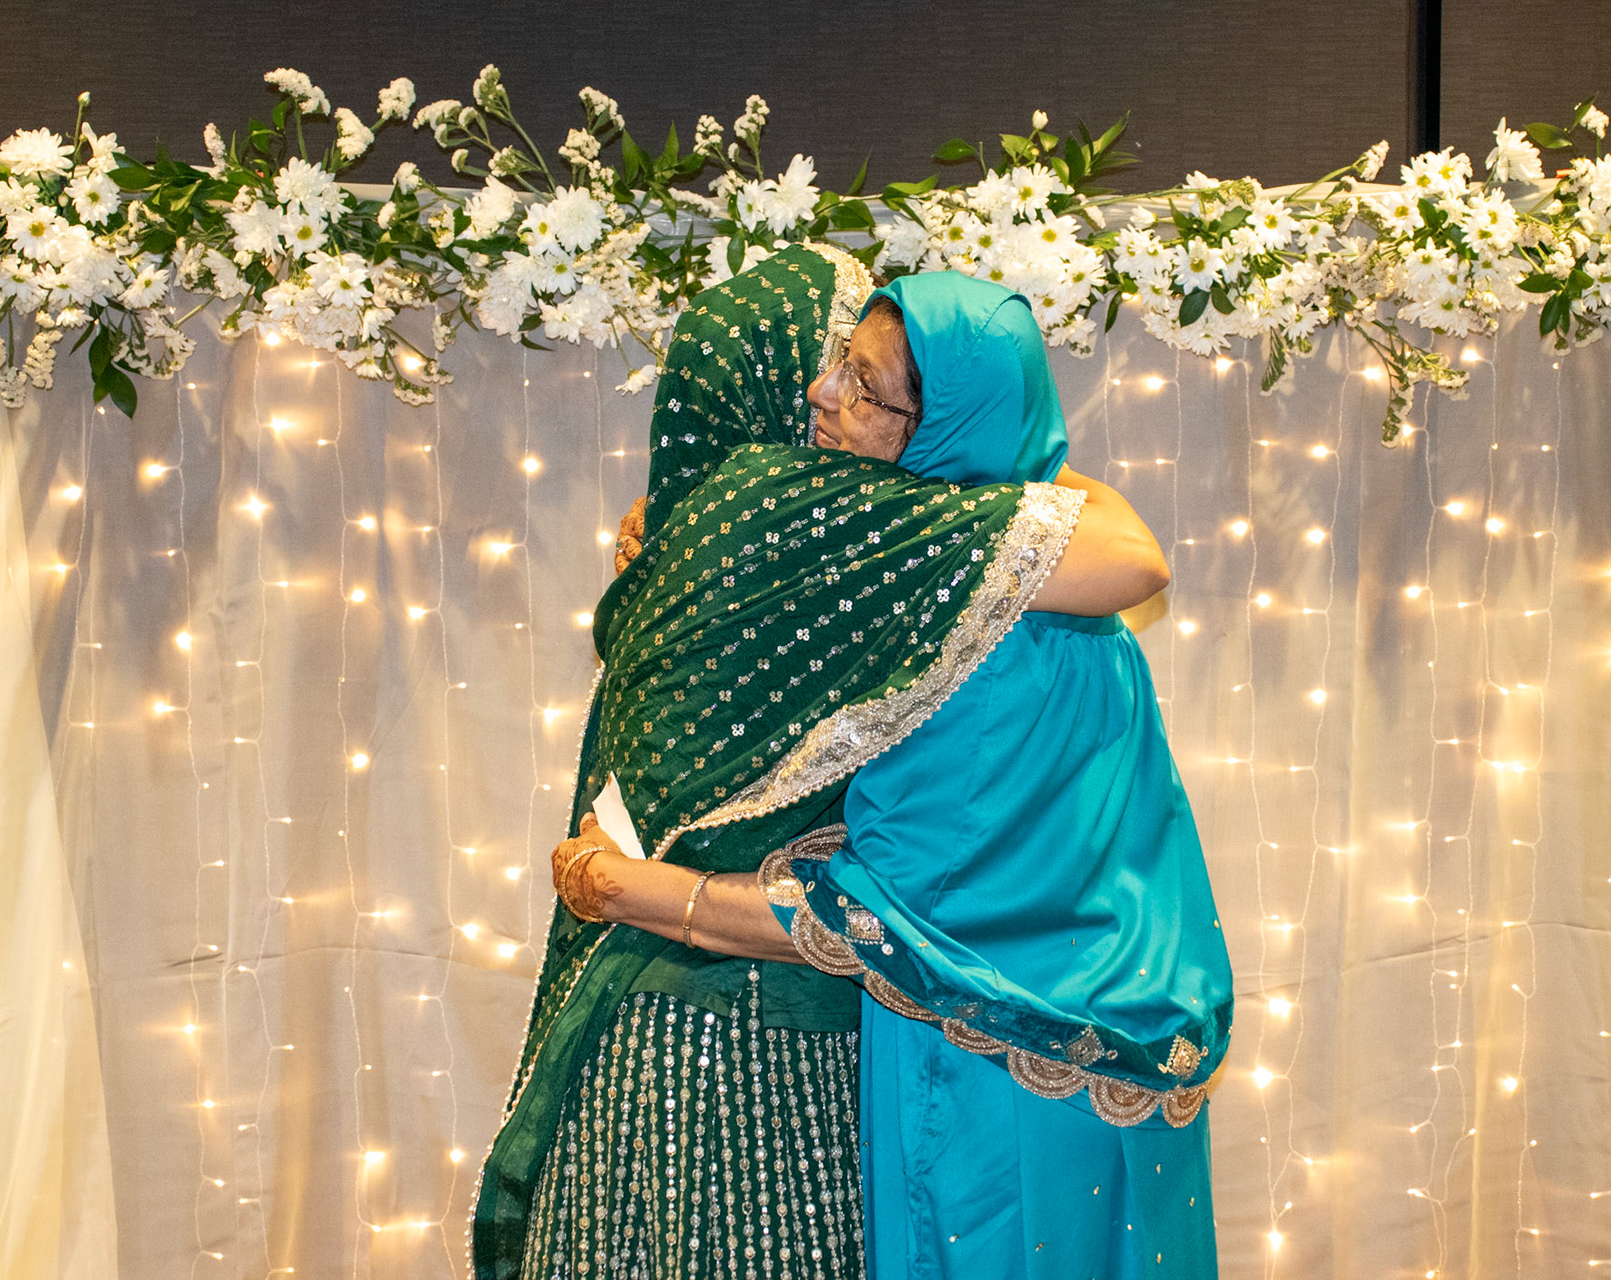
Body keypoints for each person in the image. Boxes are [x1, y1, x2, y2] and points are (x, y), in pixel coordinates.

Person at [469, 244, 1169, 1280]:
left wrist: (622, 888)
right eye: (828, 361)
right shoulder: (857, 538)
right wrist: (1009, 442)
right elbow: (1133, 555)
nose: (822, 394)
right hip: (759, 1073)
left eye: (858, 375)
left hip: (634, 1043)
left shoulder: (707, 534)